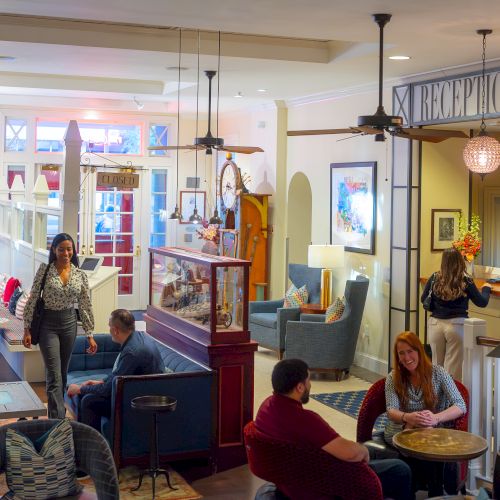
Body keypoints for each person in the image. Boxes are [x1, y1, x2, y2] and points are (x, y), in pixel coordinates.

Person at [255, 358, 413, 500]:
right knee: (400, 469)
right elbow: (351, 454)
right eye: (308, 380)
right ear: (300, 387)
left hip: (295, 476)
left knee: (370, 451)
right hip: (326, 480)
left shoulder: (266, 408)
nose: (310, 385)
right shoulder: (305, 420)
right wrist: (362, 452)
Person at [23, 233, 97, 419]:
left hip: (69, 323)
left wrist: (89, 333)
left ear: (73, 250)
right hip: (48, 324)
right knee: (54, 375)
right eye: (61, 249)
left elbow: (85, 304)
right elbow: (32, 300)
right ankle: (57, 422)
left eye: (69, 249)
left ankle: (57, 413)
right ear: (54, 250)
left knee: (62, 374)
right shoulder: (45, 270)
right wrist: (26, 328)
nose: (66, 253)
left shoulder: (79, 274)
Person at [385, 331, 467, 497]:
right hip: (401, 427)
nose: (407, 358)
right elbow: (391, 410)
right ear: (397, 356)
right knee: (412, 435)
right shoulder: (393, 377)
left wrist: (435, 417)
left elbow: (460, 405)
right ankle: (429, 489)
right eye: (402, 353)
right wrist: (407, 417)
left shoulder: (438, 372)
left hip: (433, 427)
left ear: (419, 351)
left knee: (427, 433)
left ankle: (419, 489)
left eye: (410, 351)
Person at [67, 309, 165, 432]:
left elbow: (109, 389)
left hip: (139, 400)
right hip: (142, 390)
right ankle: (84, 440)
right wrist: (101, 382)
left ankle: (93, 446)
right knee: (87, 395)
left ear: (115, 330)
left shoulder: (132, 352)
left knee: (89, 401)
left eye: (109, 327)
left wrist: (80, 388)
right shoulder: (139, 336)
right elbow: (119, 375)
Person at [421, 247, 491, 379]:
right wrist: (486, 289)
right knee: (453, 369)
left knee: (436, 366)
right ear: (460, 261)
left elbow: (423, 299)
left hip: (435, 324)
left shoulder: (435, 277)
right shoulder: (465, 280)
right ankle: (451, 398)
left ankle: (436, 397)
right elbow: (481, 302)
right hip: (457, 326)